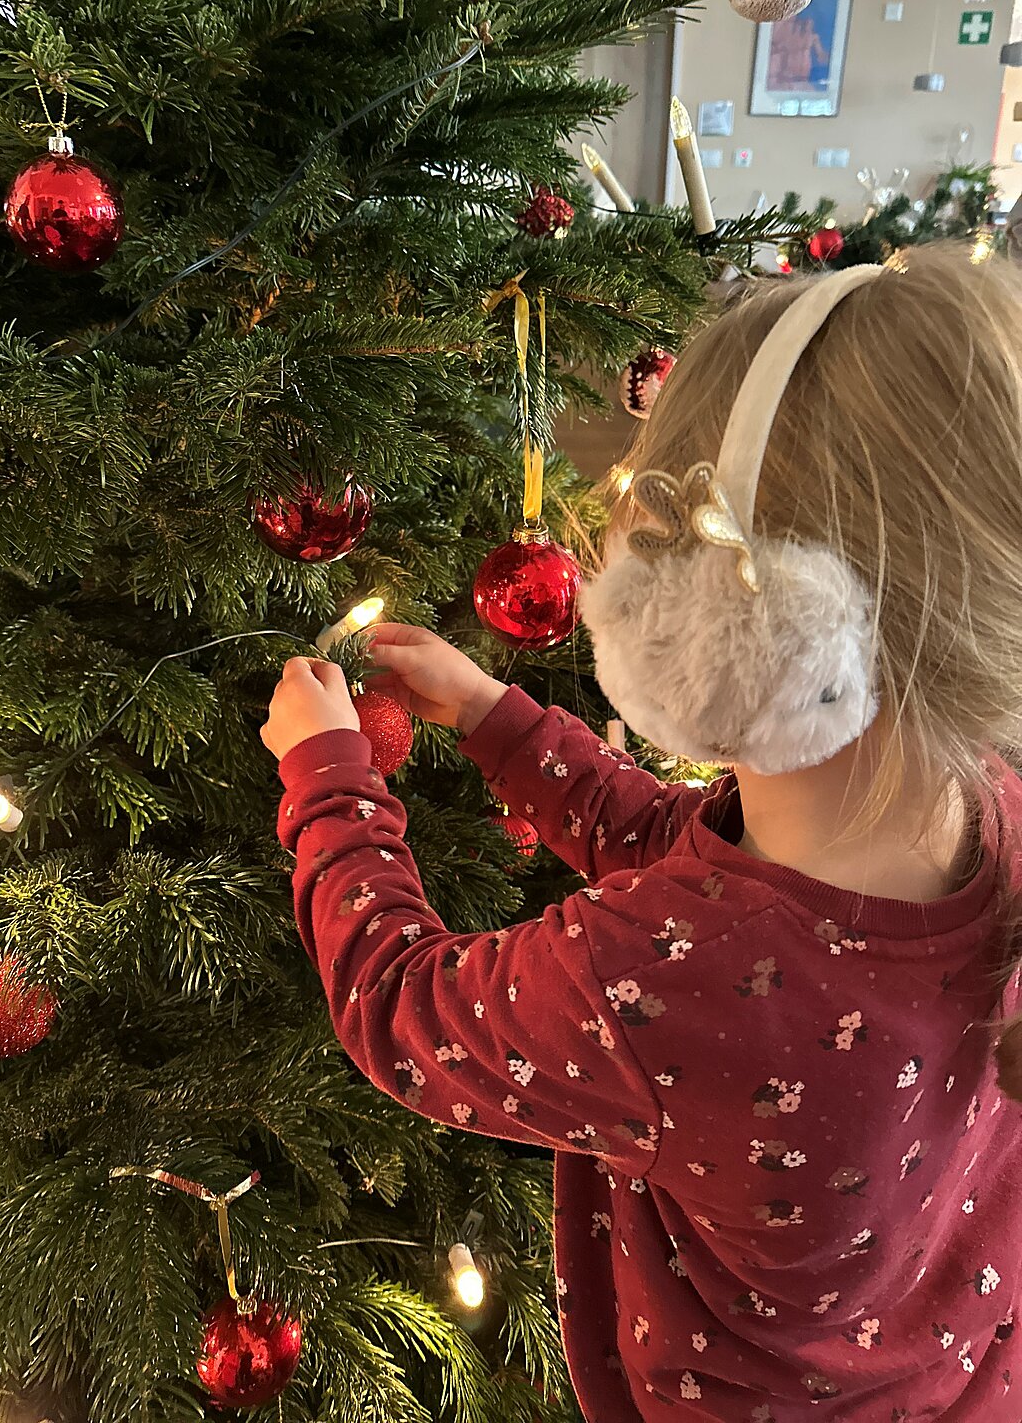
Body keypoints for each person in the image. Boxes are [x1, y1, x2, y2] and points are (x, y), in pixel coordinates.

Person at [262, 246, 1022, 1420]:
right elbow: (702, 860)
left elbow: (403, 1009)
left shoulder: (651, 980)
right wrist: (499, 722)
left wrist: (328, 778)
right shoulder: (988, 810)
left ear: (745, 630)